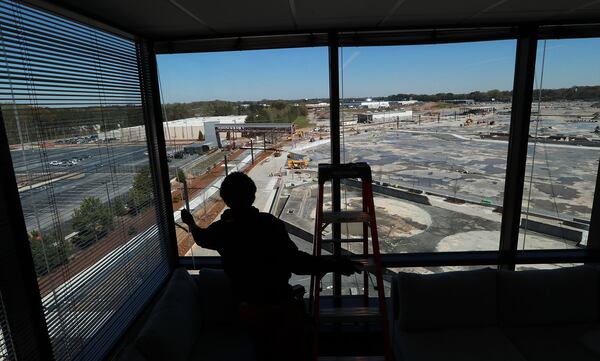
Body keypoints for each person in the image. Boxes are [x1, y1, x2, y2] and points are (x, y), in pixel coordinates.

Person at [181, 172, 361, 361]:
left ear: (225, 200)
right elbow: (298, 263)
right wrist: (334, 264)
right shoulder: (270, 224)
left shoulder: (221, 231)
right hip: (281, 308)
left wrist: (191, 223)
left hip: (249, 313)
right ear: (253, 196)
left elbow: (201, 238)